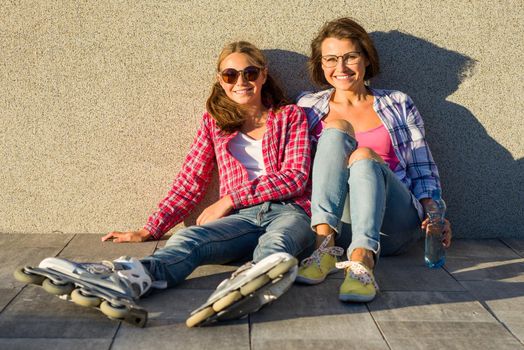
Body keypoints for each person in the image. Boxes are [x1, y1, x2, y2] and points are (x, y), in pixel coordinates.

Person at [98, 41, 315, 292]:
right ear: (221, 80)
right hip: (240, 219)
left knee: (276, 244)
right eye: (230, 75)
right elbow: (191, 179)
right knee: (189, 238)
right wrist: (151, 228)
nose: (241, 82)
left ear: (264, 75)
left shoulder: (289, 115)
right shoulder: (215, 123)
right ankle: (135, 277)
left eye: (250, 73)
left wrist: (229, 199)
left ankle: (248, 288)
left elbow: (295, 177)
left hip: (291, 211)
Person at [295, 18, 452, 302]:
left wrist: (435, 213)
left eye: (350, 57)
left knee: (364, 156)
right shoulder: (307, 107)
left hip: (394, 225)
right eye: (330, 59)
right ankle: (323, 249)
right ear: (320, 65)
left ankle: (363, 262)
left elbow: (422, 167)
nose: (340, 68)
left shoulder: (397, 102)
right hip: (339, 224)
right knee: (337, 130)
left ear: (366, 58)